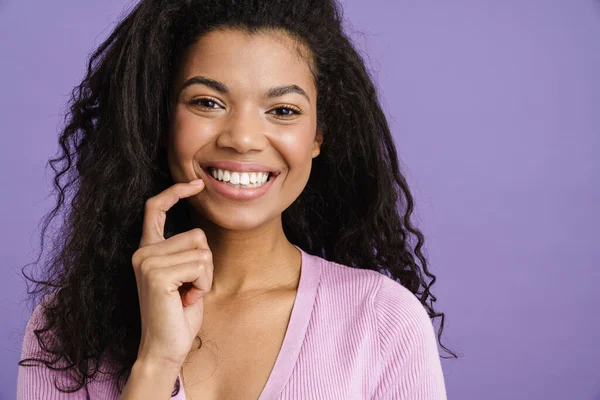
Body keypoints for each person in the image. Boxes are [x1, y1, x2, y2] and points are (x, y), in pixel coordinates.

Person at [17, 0, 456, 398]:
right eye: (207, 102)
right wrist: (155, 363)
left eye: (283, 110)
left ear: (318, 135)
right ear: (160, 120)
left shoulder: (382, 321)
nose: (243, 139)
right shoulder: (65, 329)